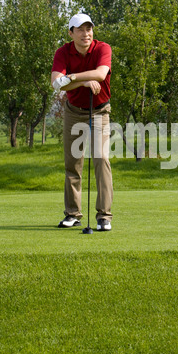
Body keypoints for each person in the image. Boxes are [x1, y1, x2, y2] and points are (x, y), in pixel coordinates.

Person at [51, 13, 113, 231]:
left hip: (99, 112)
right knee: (73, 163)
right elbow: (56, 84)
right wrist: (83, 81)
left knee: (101, 159)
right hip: (73, 112)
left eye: (89, 29)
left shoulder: (103, 48)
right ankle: (72, 214)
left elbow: (101, 73)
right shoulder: (63, 52)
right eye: (80, 29)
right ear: (71, 33)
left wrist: (75, 77)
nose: (86, 34)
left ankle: (104, 216)